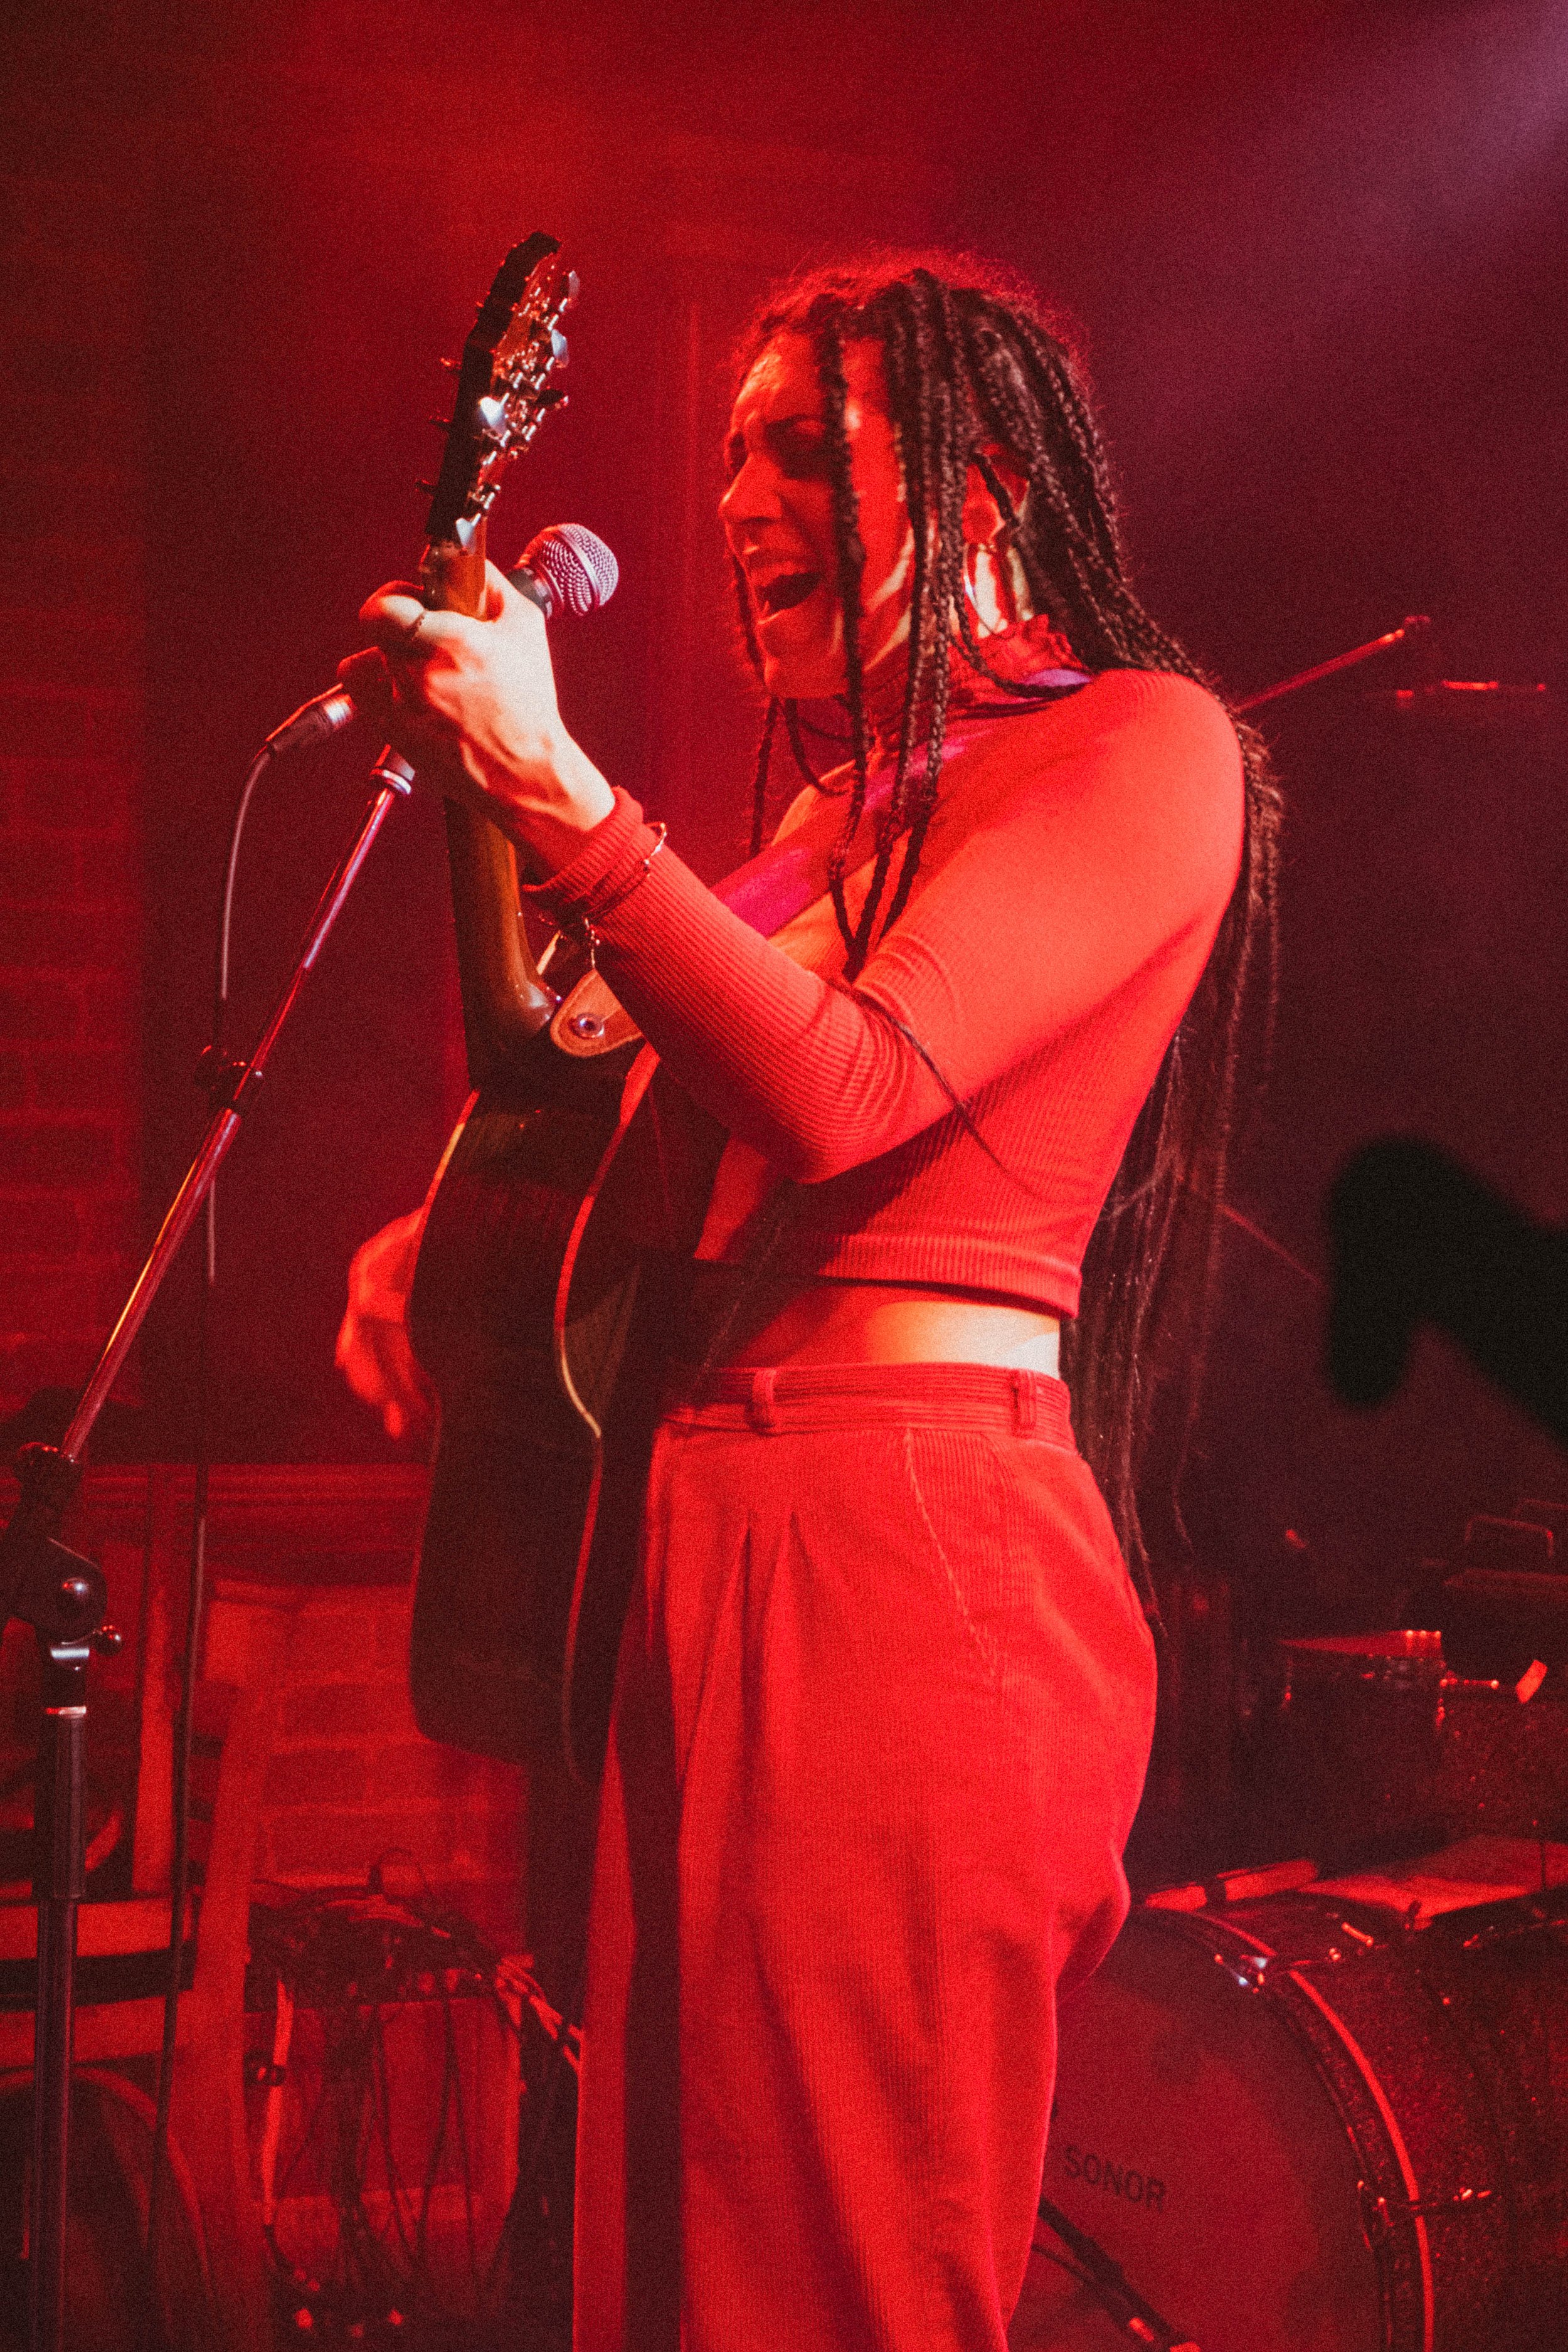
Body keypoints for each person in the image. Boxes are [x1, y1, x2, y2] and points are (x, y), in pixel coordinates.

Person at [336, 254, 1277, 2352]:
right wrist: (457, 1241)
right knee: (680, 2271)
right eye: (726, 452)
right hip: (708, 1535)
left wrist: (563, 793)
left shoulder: (1139, 746)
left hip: (900, 1558)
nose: (738, 494)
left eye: (795, 447)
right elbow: (645, 1090)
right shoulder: (832, 811)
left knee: (835, 2272)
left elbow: (849, 1087)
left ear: (975, 484)